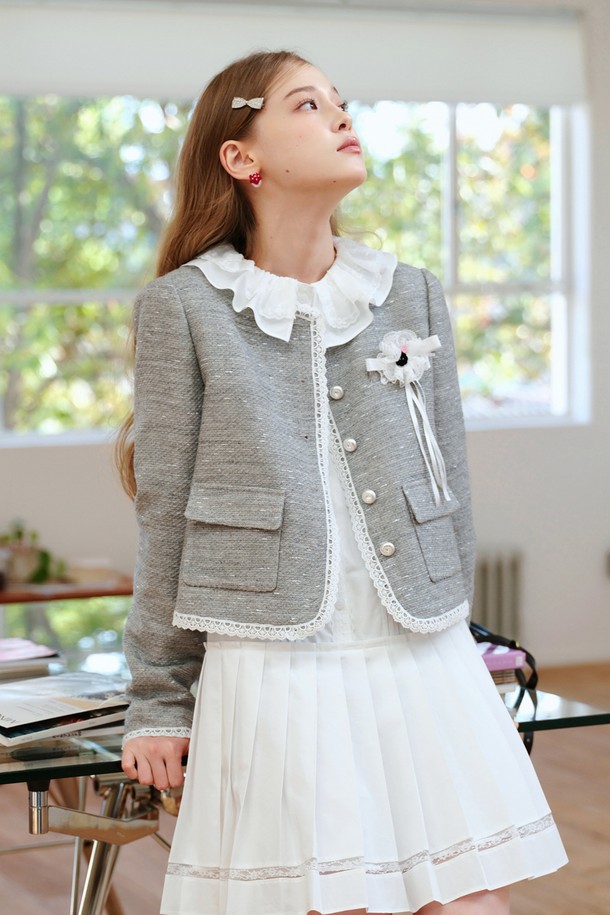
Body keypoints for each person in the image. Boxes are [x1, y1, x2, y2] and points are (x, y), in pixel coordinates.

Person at [116, 49, 567, 915]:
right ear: (241, 158)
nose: (341, 117)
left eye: (341, 102)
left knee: (471, 903)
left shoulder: (411, 295)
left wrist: (451, 623)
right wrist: (158, 700)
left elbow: (449, 482)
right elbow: (166, 514)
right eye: (307, 105)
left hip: (420, 651)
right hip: (276, 661)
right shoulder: (185, 307)